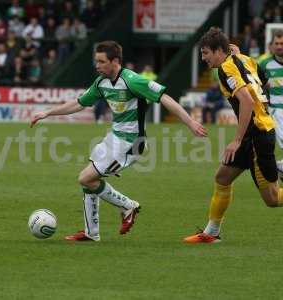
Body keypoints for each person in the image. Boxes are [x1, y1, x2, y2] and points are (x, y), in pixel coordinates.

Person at [30, 40, 207, 242]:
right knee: (89, 181)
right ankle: (91, 232)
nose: (97, 66)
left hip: (131, 143)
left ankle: (128, 206)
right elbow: (79, 103)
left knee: (85, 178)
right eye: (96, 61)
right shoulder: (101, 82)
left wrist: (190, 122)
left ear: (115, 61)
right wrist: (47, 113)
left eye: (101, 61)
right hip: (113, 138)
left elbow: (165, 98)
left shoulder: (132, 80)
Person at [184, 27, 283, 244]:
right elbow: (264, 82)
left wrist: (236, 140)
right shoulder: (245, 59)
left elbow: (246, 100)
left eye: (205, 53)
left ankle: (212, 232)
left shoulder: (226, 69)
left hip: (258, 135)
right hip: (255, 132)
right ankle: (212, 233)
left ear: (219, 51)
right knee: (222, 177)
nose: (203, 58)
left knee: (273, 199)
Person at [258, 30, 283, 166]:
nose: (279, 46)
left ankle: (280, 167)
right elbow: (256, 84)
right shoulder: (264, 64)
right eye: (277, 43)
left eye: (282, 43)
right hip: (277, 111)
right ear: (271, 45)